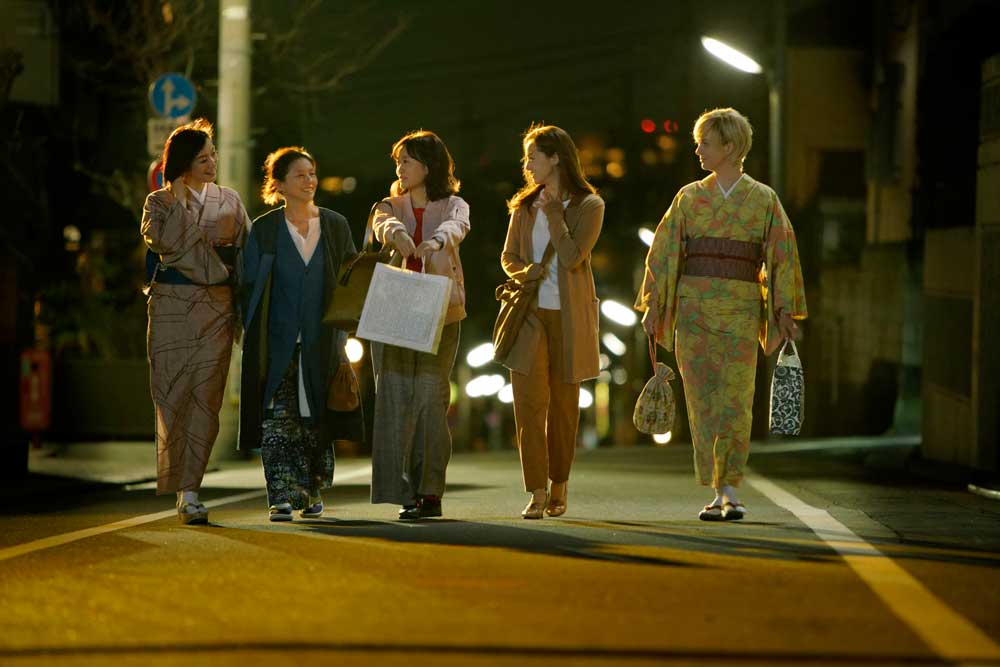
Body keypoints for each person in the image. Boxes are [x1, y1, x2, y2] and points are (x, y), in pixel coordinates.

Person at [635, 107, 807, 521]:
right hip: (693, 313)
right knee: (701, 402)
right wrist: (654, 304)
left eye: (706, 143)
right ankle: (717, 490)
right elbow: (664, 252)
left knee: (736, 401)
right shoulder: (688, 197)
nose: (698, 151)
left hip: (741, 312)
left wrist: (784, 309)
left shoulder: (763, 199)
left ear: (730, 147)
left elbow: (782, 254)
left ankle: (729, 489)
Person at [239, 147, 363, 521]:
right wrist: (247, 329)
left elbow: (351, 278)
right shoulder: (265, 229)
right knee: (277, 420)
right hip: (275, 340)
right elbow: (248, 284)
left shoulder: (335, 225)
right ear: (278, 185)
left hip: (322, 341)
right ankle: (280, 495)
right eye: (300, 175)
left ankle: (310, 492)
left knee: (315, 419)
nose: (309, 180)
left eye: (312, 173)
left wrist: (349, 330)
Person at [141, 118, 249, 524]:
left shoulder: (230, 201)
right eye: (203, 158)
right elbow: (158, 239)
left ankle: (190, 492)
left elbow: (247, 254)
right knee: (172, 394)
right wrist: (177, 195)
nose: (212, 164)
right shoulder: (159, 202)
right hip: (171, 307)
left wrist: (243, 304)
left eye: (213, 156)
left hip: (216, 309)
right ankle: (179, 483)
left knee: (206, 397)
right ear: (183, 162)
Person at [498, 124, 604, 520]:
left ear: (555, 158)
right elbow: (508, 256)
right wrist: (524, 272)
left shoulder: (589, 206)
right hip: (529, 313)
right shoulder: (524, 207)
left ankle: (559, 484)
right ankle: (537, 490)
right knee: (528, 403)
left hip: (570, 316)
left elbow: (573, 256)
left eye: (532, 157)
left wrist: (556, 214)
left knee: (563, 405)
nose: (526, 165)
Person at [370, 130, 469, 520]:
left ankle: (429, 492)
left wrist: (434, 242)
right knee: (395, 397)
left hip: (441, 310)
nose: (400, 168)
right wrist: (398, 235)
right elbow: (381, 224)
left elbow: (458, 226)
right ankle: (402, 491)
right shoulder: (390, 205)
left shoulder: (453, 205)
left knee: (431, 399)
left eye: (407, 161)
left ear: (428, 166)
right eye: (398, 162)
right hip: (395, 306)